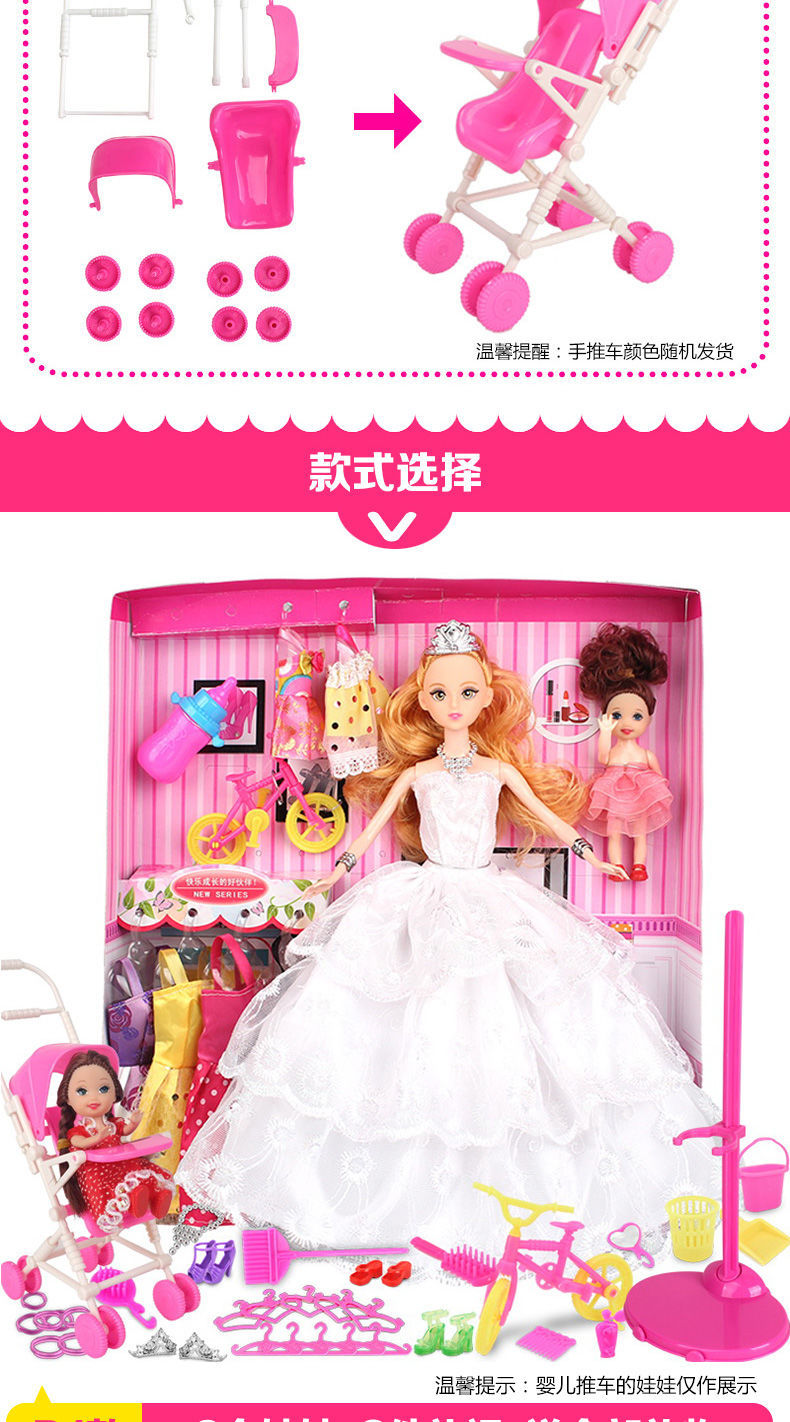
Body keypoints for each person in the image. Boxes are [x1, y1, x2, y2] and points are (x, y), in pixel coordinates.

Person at [177, 621, 715, 1257]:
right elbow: (369, 831)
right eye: (439, 694)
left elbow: (549, 820)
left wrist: (592, 856)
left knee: (508, 1018)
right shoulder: (418, 775)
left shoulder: (496, 770)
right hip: (424, 895)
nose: (453, 704)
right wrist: (334, 872)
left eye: (466, 692)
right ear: (424, 702)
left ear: (486, 698)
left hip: (489, 896)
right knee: (401, 1021)